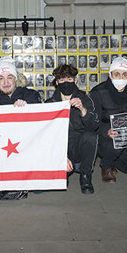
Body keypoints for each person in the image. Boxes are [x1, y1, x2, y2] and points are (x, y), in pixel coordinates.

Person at [0, 58, 41, 200]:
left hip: (26, 145)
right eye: (1, 78)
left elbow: (41, 125)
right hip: (0, 145)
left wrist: (28, 108)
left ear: (17, 79)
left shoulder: (31, 95)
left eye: (10, 77)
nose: (6, 82)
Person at [45, 64, 99, 194]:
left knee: (91, 136)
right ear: (57, 83)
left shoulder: (85, 98)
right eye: (62, 80)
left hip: (80, 150)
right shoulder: (50, 104)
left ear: (75, 80)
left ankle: (86, 176)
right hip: (61, 150)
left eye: (69, 79)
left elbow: (94, 126)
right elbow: (47, 137)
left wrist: (82, 109)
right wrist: (62, 157)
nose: (66, 83)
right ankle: (62, 172)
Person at [90, 57, 127, 183]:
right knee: (114, 146)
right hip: (108, 139)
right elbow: (93, 120)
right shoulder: (98, 92)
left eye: (124, 74)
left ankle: (115, 161)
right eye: (117, 74)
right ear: (110, 74)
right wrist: (106, 131)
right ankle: (106, 166)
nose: (120, 78)